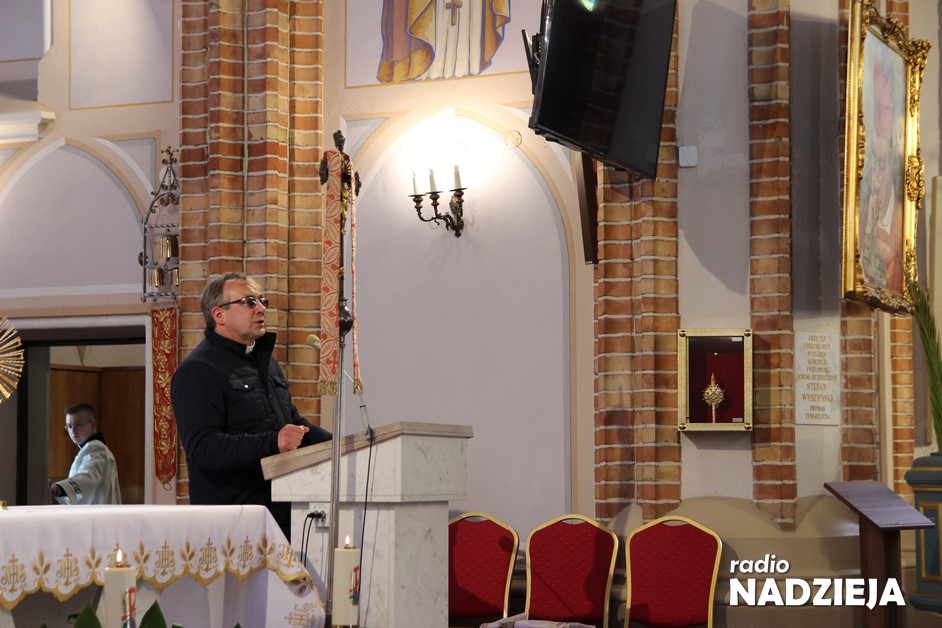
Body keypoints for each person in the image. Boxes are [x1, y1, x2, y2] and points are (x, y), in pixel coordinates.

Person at [171, 272, 332, 538]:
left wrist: (339, 447)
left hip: (279, 514)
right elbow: (203, 448)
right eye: (249, 302)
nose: (260, 309)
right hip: (232, 522)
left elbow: (292, 425)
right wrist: (273, 442)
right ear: (219, 315)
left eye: (261, 301)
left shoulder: (266, 364)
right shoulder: (198, 370)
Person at [50, 402, 122, 505]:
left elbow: (88, 477)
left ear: (93, 425)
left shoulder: (96, 449)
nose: (73, 431)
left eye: (78, 425)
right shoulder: (88, 449)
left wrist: (57, 488)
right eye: (69, 426)